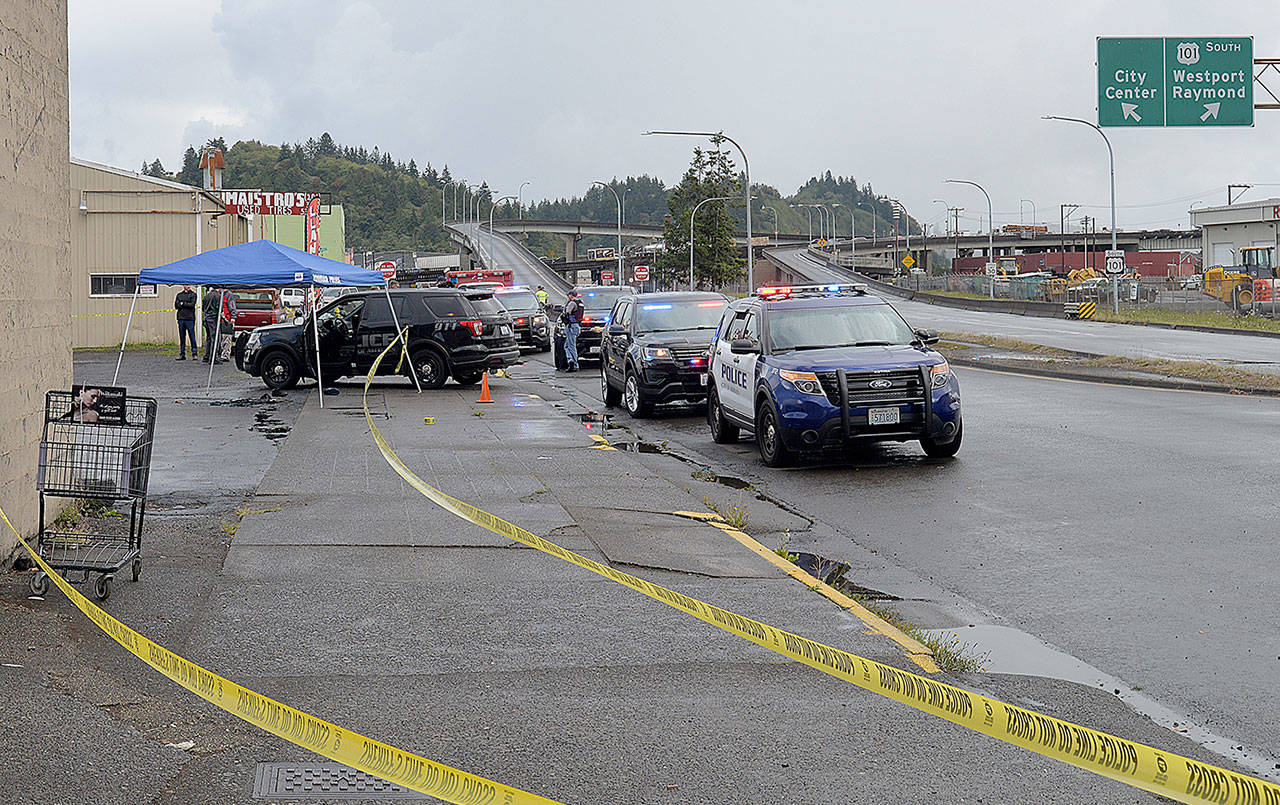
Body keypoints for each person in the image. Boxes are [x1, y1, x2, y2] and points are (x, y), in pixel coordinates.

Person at [561, 290, 584, 372]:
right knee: (566, 346)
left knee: (571, 346)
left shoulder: (572, 303)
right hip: (577, 325)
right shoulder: (580, 303)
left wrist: (566, 319)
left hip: (571, 326)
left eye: (569, 295)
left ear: (571, 296)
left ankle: (575, 364)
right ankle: (570, 359)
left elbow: (567, 313)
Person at [174, 285, 198, 360]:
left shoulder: (193, 294)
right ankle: (182, 353)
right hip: (181, 318)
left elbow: (192, 305)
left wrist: (182, 303)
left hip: (190, 318)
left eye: (188, 285)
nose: (187, 286)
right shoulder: (179, 295)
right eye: (185, 285)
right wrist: (185, 304)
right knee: (182, 337)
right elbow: (176, 305)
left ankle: (194, 353)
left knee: (192, 336)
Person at [201, 286, 222, 363]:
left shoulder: (206, 296)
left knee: (209, 338)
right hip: (214, 318)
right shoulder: (218, 296)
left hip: (207, 318)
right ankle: (213, 358)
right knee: (215, 338)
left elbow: (203, 308)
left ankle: (207, 356)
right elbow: (219, 308)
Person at [219, 289, 237, 362]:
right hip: (221, 320)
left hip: (227, 320)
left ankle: (226, 355)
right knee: (222, 338)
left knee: (227, 338)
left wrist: (232, 317)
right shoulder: (220, 294)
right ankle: (222, 354)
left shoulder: (229, 295)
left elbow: (232, 307)